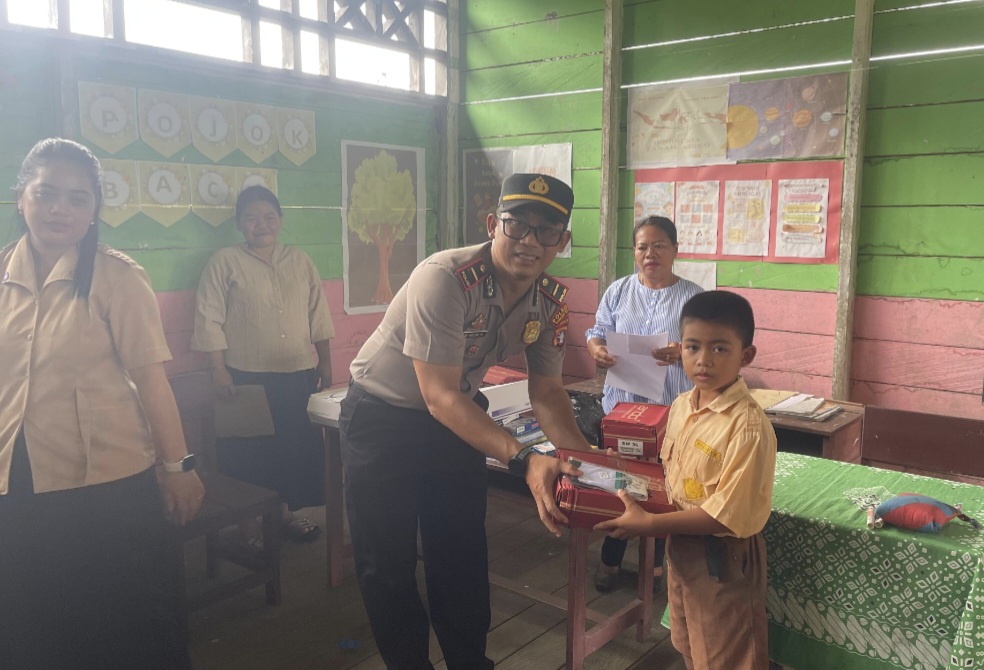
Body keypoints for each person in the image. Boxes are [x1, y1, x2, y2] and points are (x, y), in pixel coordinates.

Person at [340, 173, 591, 670]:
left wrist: (586, 462)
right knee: (385, 564)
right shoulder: (446, 277)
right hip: (384, 420)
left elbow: (548, 393)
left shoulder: (553, 302)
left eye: (546, 232)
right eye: (517, 226)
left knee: (460, 557)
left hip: (457, 419)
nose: (529, 242)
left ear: (562, 242)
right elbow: (438, 396)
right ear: (493, 223)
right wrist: (525, 459)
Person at [0, 137, 204, 668]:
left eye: (77, 198)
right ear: (21, 197)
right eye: (45, 194)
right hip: (17, 483)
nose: (59, 209)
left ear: (94, 211)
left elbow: (153, 381)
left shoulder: (117, 277)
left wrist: (179, 468)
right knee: (32, 620)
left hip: (107, 486)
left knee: (120, 624)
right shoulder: (1, 276)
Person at [595, 291, 777, 670]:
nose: (703, 360)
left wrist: (650, 524)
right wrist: (628, 472)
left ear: (746, 356)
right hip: (680, 550)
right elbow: (670, 476)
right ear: (680, 349)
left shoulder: (747, 427)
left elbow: (724, 516)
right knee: (692, 644)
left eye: (719, 349)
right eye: (693, 347)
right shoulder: (681, 406)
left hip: (722, 560)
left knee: (727, 656)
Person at [192, 184, 334, 544]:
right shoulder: (224, 262)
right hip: (244, 377)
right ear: (240, 223)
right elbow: (208, 318)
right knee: (249, 454)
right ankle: (249, 527)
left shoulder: (300, 261)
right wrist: (218, 369)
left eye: (269, 216)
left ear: (281, 220)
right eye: (252, 218)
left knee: (291, 450)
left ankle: (285, 516)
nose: (262, 224)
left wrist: (326, 364)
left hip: (296, 374)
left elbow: (318, 315)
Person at [586, 215, 703, 592]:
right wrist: (598, 351)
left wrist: (683, 351)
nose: (650, 253)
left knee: (665, 488)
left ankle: (655, 571)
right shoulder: (618, 291)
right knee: (623, 484)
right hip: (623, 410)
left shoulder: (694, 297)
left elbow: (706, 348)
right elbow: (596, 332)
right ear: (634, 252)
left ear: (675, 250)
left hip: (673, 412)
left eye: (659, 245)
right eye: (642, 247)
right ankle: (610, 560)